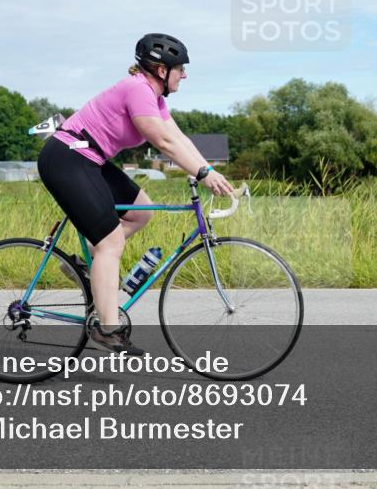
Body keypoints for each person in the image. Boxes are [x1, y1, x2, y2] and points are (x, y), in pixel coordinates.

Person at [36, 33, 234, 355]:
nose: (184, 75)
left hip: (91, 158)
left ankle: (85, 265)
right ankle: (107, 329)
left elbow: (178, 138)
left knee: (141, 211)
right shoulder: (138, 90)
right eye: (180, 69)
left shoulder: (154, 99)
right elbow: (163, 142)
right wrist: (202, 174)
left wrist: (209, 170)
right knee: (111, 243)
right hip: (67, 158)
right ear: (161, 70)